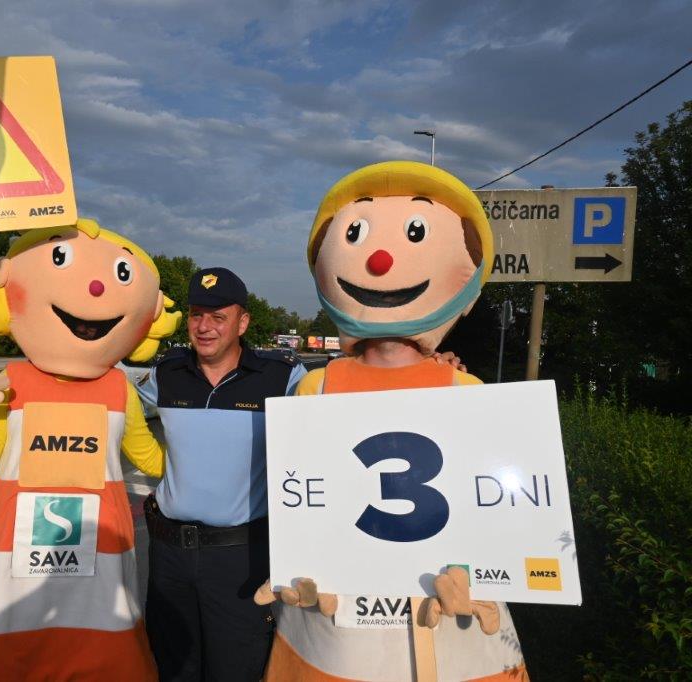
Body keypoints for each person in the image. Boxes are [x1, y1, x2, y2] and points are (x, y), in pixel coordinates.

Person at [257, 161, 526, 681]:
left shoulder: (466, 390)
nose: (380, 261)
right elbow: (299, 494)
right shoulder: (317, 387)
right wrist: (295, 561)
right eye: (356, 236)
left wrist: (475, 571)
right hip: (336, 623)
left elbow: (491, 504)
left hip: (444, 622)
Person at [0, 218, 180, 681]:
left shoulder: (119, 389)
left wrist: (216, 460)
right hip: (13, 567)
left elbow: (152, 460)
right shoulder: (9, 383)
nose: (95, 288)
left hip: (99, 568)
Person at [135, 267, 307, 681]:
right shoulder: (166, 373)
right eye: (197, 315)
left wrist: (431, 366)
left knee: (236, 670)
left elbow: (344, 406)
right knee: (172, 668)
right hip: (169, 554)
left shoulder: (282, 376)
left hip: (240, 558)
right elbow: (101, 389)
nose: (204, 327)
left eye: (218, 317)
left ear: (242, 322)